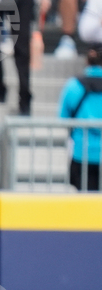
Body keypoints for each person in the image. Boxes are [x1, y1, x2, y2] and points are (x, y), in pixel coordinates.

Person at [58, 42, 102, 191]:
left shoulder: (73, 86)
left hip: (81, 154)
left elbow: (63, 118)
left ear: (86, 60)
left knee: (86, 206)